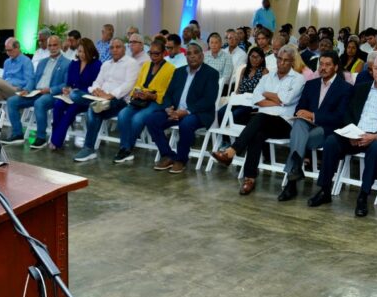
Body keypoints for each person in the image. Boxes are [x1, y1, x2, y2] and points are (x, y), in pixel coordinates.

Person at [306, 55, 377, 217]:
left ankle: (363, 195)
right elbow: (348, 114)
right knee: (331, 141)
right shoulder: (361, 88)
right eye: (375, 68)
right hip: (355, 134)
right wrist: (351, 133)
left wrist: (375, 136)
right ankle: (325, 190)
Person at [210, 47, 306, 194]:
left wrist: (267, 94)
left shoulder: (298, 79)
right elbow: (256, 98)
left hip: (284, 123)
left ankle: (231, 152)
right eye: (279, 59)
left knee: (260, 117)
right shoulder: (267, 76)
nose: (281, 63)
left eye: (286, 60)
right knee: (257, 134)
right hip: (262, 121)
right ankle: (249, 178)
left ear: (292, 62)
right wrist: (276, 99)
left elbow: (286, 99)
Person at [277, 51, 354, 201]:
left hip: (328, 131)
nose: (323, 68)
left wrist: (313, 115)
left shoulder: (345, 88)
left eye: (327, 65)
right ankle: (295, 171)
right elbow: (299, 108)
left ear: (335, 67)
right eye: (321, 64)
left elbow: (341, 117)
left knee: (298, 137)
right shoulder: (311, 84)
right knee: (299, 123)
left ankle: (291, 182)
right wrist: (302, 113)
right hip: (307, 127)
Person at [145, 43, 220, 174]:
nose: (192, 56)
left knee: (186, 123)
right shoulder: (179, 72)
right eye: (189, 54)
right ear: (186, 57)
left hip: (198, 113)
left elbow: (208, 100)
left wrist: (186, 112)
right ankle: (168, 155)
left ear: (202, 56)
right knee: (151, 120)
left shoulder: (211, 73)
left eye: (196, 53)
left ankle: (181, 159)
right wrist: (168, 108)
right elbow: (168, 94)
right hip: (175, 111)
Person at [72, 38, 140, 162]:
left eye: (118, 47)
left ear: (124, 49)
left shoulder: (131, 63)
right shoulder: (106, 64)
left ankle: (88, 148)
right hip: (99, 98)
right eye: (112, 47)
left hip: (119, 101)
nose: (114, 50)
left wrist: (110, 95)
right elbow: (97, 81)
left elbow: (128, 85)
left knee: (93, 109)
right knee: (75, 94)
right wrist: (95, 90)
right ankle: (89, 149)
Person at [111, 40, 176, 163]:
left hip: (156, 101)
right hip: (140, 99)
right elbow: (138, 83)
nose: (153, 56)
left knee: (138, 118)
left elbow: (168, 91)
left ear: (164, 53)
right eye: (151, 53)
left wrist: (152, 96)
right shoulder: (146, 65)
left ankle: (126, 148)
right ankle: (124, 147)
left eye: (156, 54)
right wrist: (136, 92)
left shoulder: (171, 69)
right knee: (123, 114)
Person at [1, 35, 72, 147]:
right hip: (36, 92)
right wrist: (27, 89)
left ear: (60, 45)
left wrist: (50, 89)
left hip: (52, 94)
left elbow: (66, 84)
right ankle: (17, 134)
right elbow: (33, 79)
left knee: (40, 103)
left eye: (55, 45)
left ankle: (41, 137)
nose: (52, 48)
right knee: (12, 101)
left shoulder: (67, 63)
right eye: (50, 45)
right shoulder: (42, 62)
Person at [48, 38, 101, 150]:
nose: (81, 54)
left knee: (71, 110)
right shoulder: (74, 64)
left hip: (85, 97)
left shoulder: (96, 65)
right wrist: (66, 89)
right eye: (79, 51)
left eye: (84, 52)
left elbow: (95, 85)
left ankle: (56, 141)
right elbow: (69, 83)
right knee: (57, 105)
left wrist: (75, 91)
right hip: (70, 96)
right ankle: (56, 138)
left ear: (90, 51)